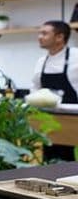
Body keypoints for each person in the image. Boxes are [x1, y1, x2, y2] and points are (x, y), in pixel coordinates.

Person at [32, 20, 77, 161]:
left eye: (44, 33)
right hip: (48, 120)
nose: (40, 37)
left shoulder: (76, 57)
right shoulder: (41, 61)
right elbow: (35, 90)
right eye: (39, 33)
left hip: (73, 118)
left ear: (59, 37)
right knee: (49, 158)